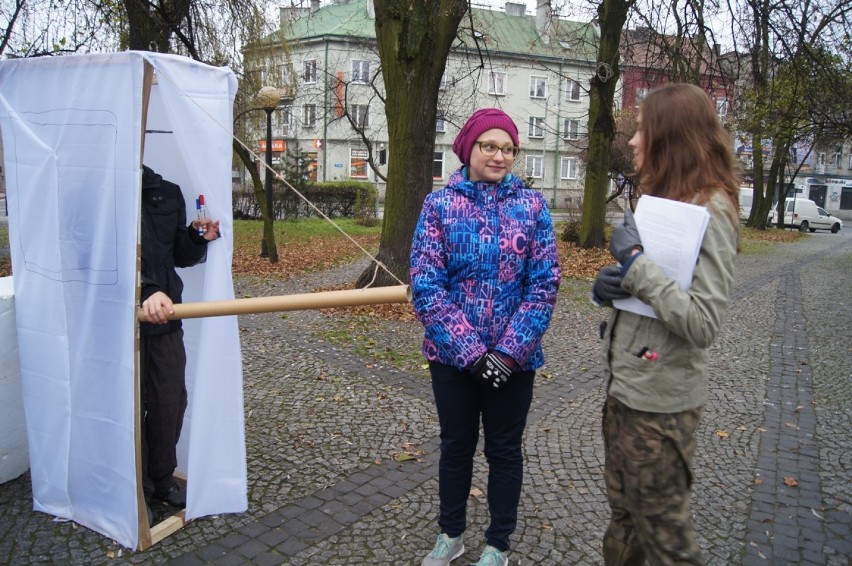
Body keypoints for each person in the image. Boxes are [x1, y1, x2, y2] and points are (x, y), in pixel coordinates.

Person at [591, 83, 740, 565]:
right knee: (626, 522)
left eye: (641, 131)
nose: (633, 142)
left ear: (670, 137)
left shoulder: (711, 208)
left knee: (666, 541)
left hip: (661, 410)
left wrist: (635, 264)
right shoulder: (663, 198)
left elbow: (703, 321)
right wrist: (612, 286)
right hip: (626, 390)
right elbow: (651, 291)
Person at [410, 108, 561, 566]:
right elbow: (426, 284)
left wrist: (509, 353)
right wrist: (473, 354)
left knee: (504, 450)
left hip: (514, 362)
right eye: (489, 146)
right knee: (456, 446)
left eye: (508, 148)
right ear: (468, 148)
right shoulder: (439, 206)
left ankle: (498, 544)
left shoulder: (532, 208)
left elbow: (544, 284)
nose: (499, 155)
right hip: (453, 360)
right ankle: (451, 534)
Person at [139, 165, 220, 519]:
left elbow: (176, 256)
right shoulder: (101, 191)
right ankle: (134, 489)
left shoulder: (166, 191)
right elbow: (92, 258)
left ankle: (161, 479)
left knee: (169, 401)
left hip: (166, 320)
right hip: (116, 322)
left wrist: (197, 238)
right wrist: (144, 292)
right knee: (126, 406)